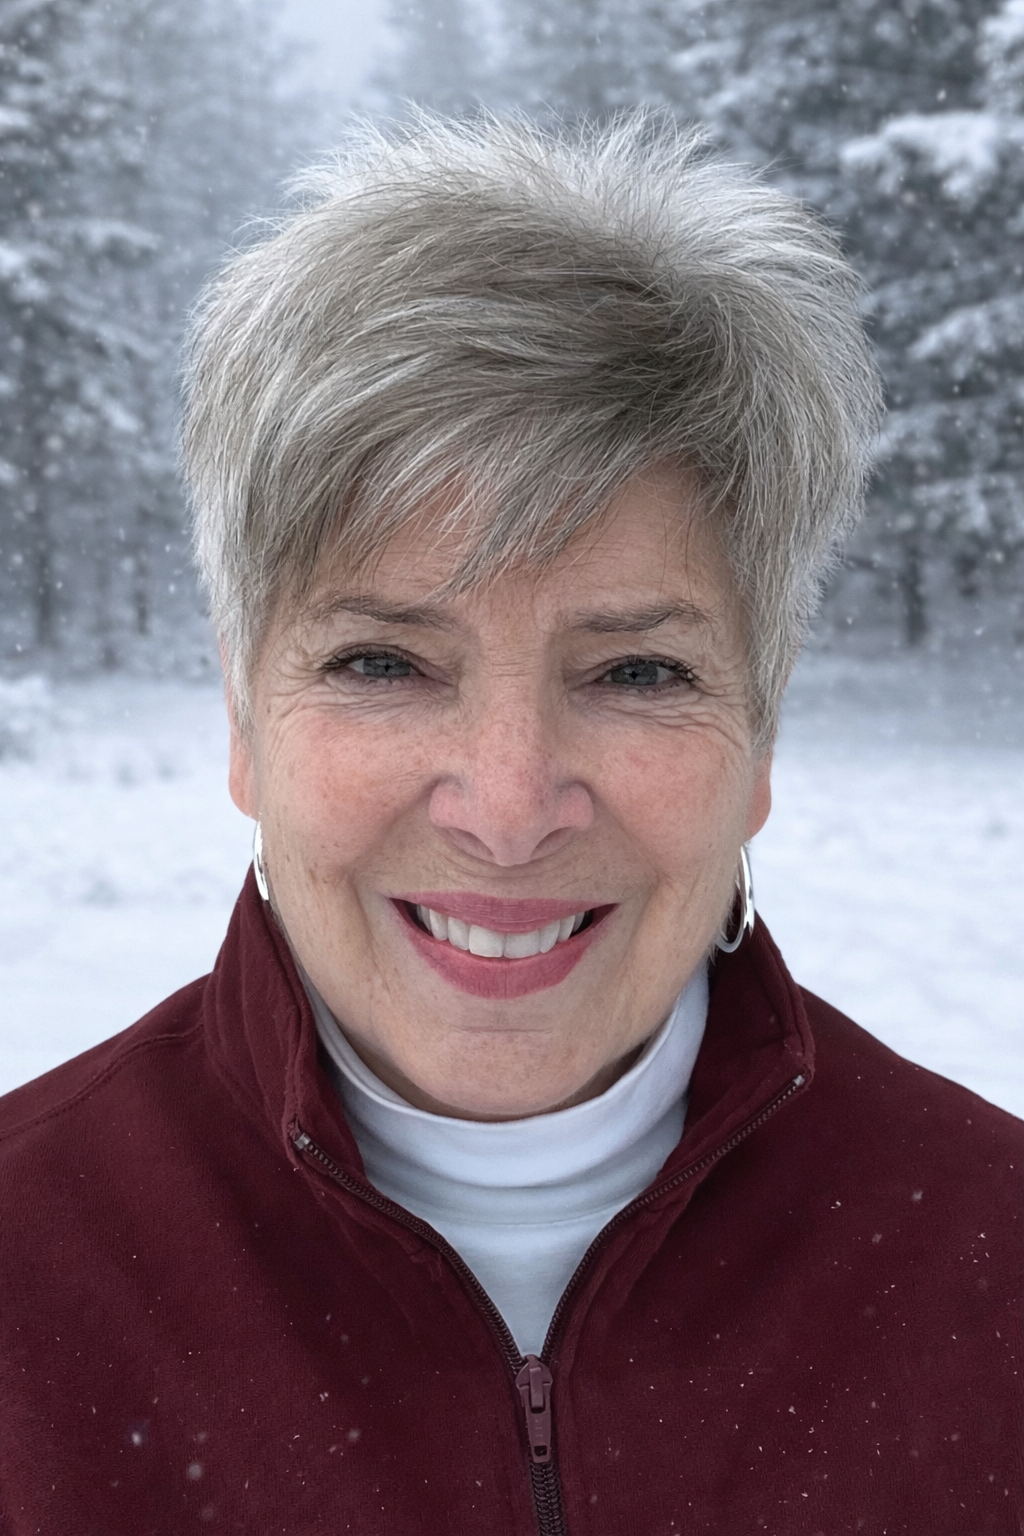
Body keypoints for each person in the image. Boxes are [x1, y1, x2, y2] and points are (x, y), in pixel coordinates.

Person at [0, 114, 1018, 1536]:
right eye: (383, 663)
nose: (508, 806)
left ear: (762, 738)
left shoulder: (992, 1271)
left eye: (637, 672)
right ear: (243, 721)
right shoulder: (25, 1278)